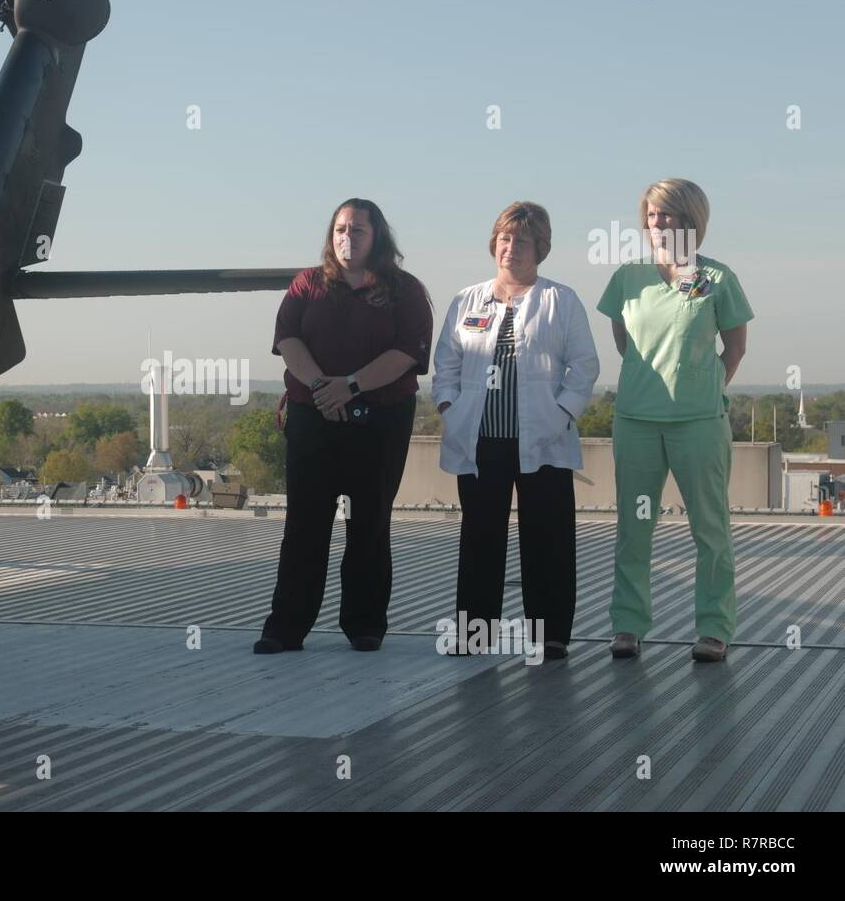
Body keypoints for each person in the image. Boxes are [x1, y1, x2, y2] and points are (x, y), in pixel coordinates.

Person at [255, 198, 434, 653]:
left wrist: (350, 386)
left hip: (379, 420)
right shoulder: (306, 285)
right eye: (340, 229)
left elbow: (407, 354)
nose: (346, 238)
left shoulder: (405, 289)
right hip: (313, 418)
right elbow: (287, 339)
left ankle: (365, 625)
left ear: (378, 238)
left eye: (357, 230)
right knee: (305, 523)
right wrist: (322, 388)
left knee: (368, 523)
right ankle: (286, 628)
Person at [432, 201, 599, 659]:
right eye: (505, 238)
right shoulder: (467, 300)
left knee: (548, 542)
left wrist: (561, 414)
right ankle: (474, 635)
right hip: (480, 442)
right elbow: (445, 363)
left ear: (540, 248)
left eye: (522, 240)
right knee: (480, 540)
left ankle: (550, 637)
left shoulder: (560, 301)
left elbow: (584, 366)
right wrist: (449, 406)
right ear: (494, 243)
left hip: (542, 441)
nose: (511, 248)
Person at [596, 178, 752, 662]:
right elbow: (625, 343)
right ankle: (628, 625)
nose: (658, 223)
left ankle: (714, 629)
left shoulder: (718, 278)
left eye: (668, 214)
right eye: (651, 214)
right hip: (637, 421)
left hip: (699, 423)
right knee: (633, 527)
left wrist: (701, 387)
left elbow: (736, 347)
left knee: (710, 528)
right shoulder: (628, 277)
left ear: (692, 220)